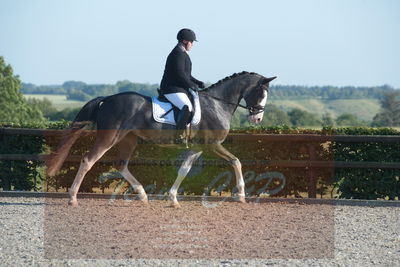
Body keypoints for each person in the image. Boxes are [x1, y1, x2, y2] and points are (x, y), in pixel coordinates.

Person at [160, 28, 205, 141]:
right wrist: (191, 85)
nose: (192, 44)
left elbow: (186, 75)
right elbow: (179, 74)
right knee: (188, 108)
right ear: (185, 41)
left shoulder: (183, 54)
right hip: (171, 89)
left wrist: (197, 82)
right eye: (192, 42)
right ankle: (178, 136)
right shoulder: (177, 54)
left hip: (179, 89)